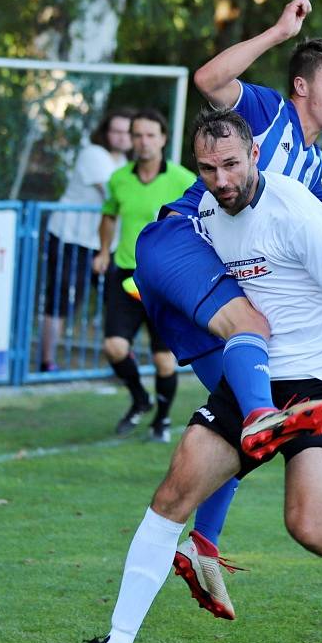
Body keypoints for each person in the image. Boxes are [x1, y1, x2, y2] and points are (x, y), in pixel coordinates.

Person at [48, 107, 322, 643]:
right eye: (208, 168)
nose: (222, 179)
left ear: (254, 154)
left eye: (231, 164)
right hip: (249, 375)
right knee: (170, 497)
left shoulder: (296, 212)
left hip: (318, 382)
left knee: (308, 525)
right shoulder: (205, 210)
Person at [129, 0, 322, 618]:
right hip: (183, 243)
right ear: (302, 86)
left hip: (197, 275)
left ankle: (203, 546)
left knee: (235, 422)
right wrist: (276, 31)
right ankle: (210, 531)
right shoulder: (267, 114)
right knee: (254, 369)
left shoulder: (310, 164)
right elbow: (210, 82)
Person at [93, 108, 195, 441]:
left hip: (164, 281)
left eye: (151, 135)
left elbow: (201, 224)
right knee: (114, 347)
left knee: (164, 362)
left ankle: (161, 421)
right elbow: (109, 216)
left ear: (163, 139)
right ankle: (140, 398)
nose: (144, 142)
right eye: (137, 135)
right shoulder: (119, 178)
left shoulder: (183, 179)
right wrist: (104, 251)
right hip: (125, 274)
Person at [39, 109, 134, 372]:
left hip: (106, 245)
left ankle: (123, 362)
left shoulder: (128, 164)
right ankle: (47, 363)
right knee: (60, 300)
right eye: (116, 130)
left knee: (119, 301)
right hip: (71, 238)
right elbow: (113, 195)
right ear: (106, 132)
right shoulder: (94, 154)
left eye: (127, 132)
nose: (122, 137)